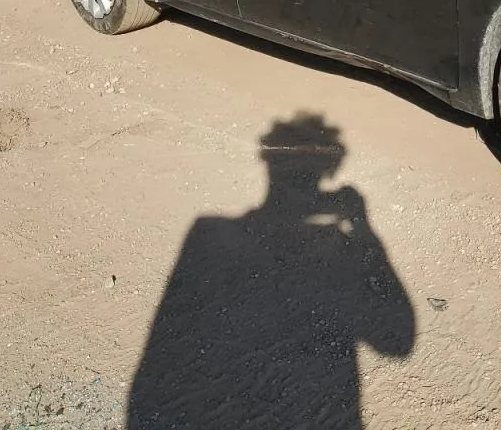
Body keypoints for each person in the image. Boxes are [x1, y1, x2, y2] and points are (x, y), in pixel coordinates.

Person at [126, 112, 414, 429]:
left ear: (267, 161)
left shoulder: (207, 233)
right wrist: (363, 228)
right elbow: (397, 343)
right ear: (330, 172)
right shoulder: (211, 233)